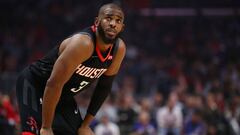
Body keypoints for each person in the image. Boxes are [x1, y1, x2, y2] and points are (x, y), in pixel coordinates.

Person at [16, 3, 126, 135]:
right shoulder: (83, 44)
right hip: (37, 84)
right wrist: (46, 127)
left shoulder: (119, 49)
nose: (113, 23)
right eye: (108, 18)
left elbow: (104, 87)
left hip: (62, 95)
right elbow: (53, 84)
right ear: (97, 21)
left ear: (122, 27)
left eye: (118, 21)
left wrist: (85, 125)